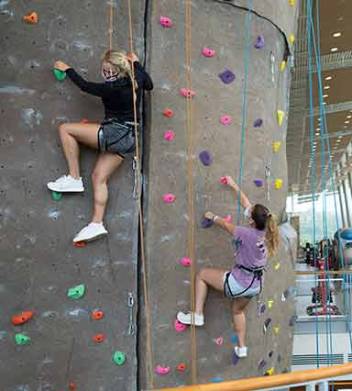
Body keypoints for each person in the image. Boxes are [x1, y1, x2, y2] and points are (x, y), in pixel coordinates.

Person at [47, 50, 153, 243]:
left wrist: (67, 69)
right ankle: (97, 223)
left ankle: (74, 177)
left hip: (114, 132)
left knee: (65, 129)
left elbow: (85, 86)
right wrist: (136, 63)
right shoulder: (135, 79)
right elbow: (149, 84)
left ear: (113, 72)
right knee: (98, 178)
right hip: (129, 139)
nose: (104, 73)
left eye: (106, 70)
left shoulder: (111, 88)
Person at [177, 176, 280, 358]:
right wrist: (234, 186)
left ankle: (198, 314)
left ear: (252, 221)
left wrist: (212, 216)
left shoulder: (245, 233)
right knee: (237, 310)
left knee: (202, 274)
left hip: (238, 283)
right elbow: (248, 205)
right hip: (254, 286)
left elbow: (226, 225)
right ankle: (242, 347)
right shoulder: (267, 233)